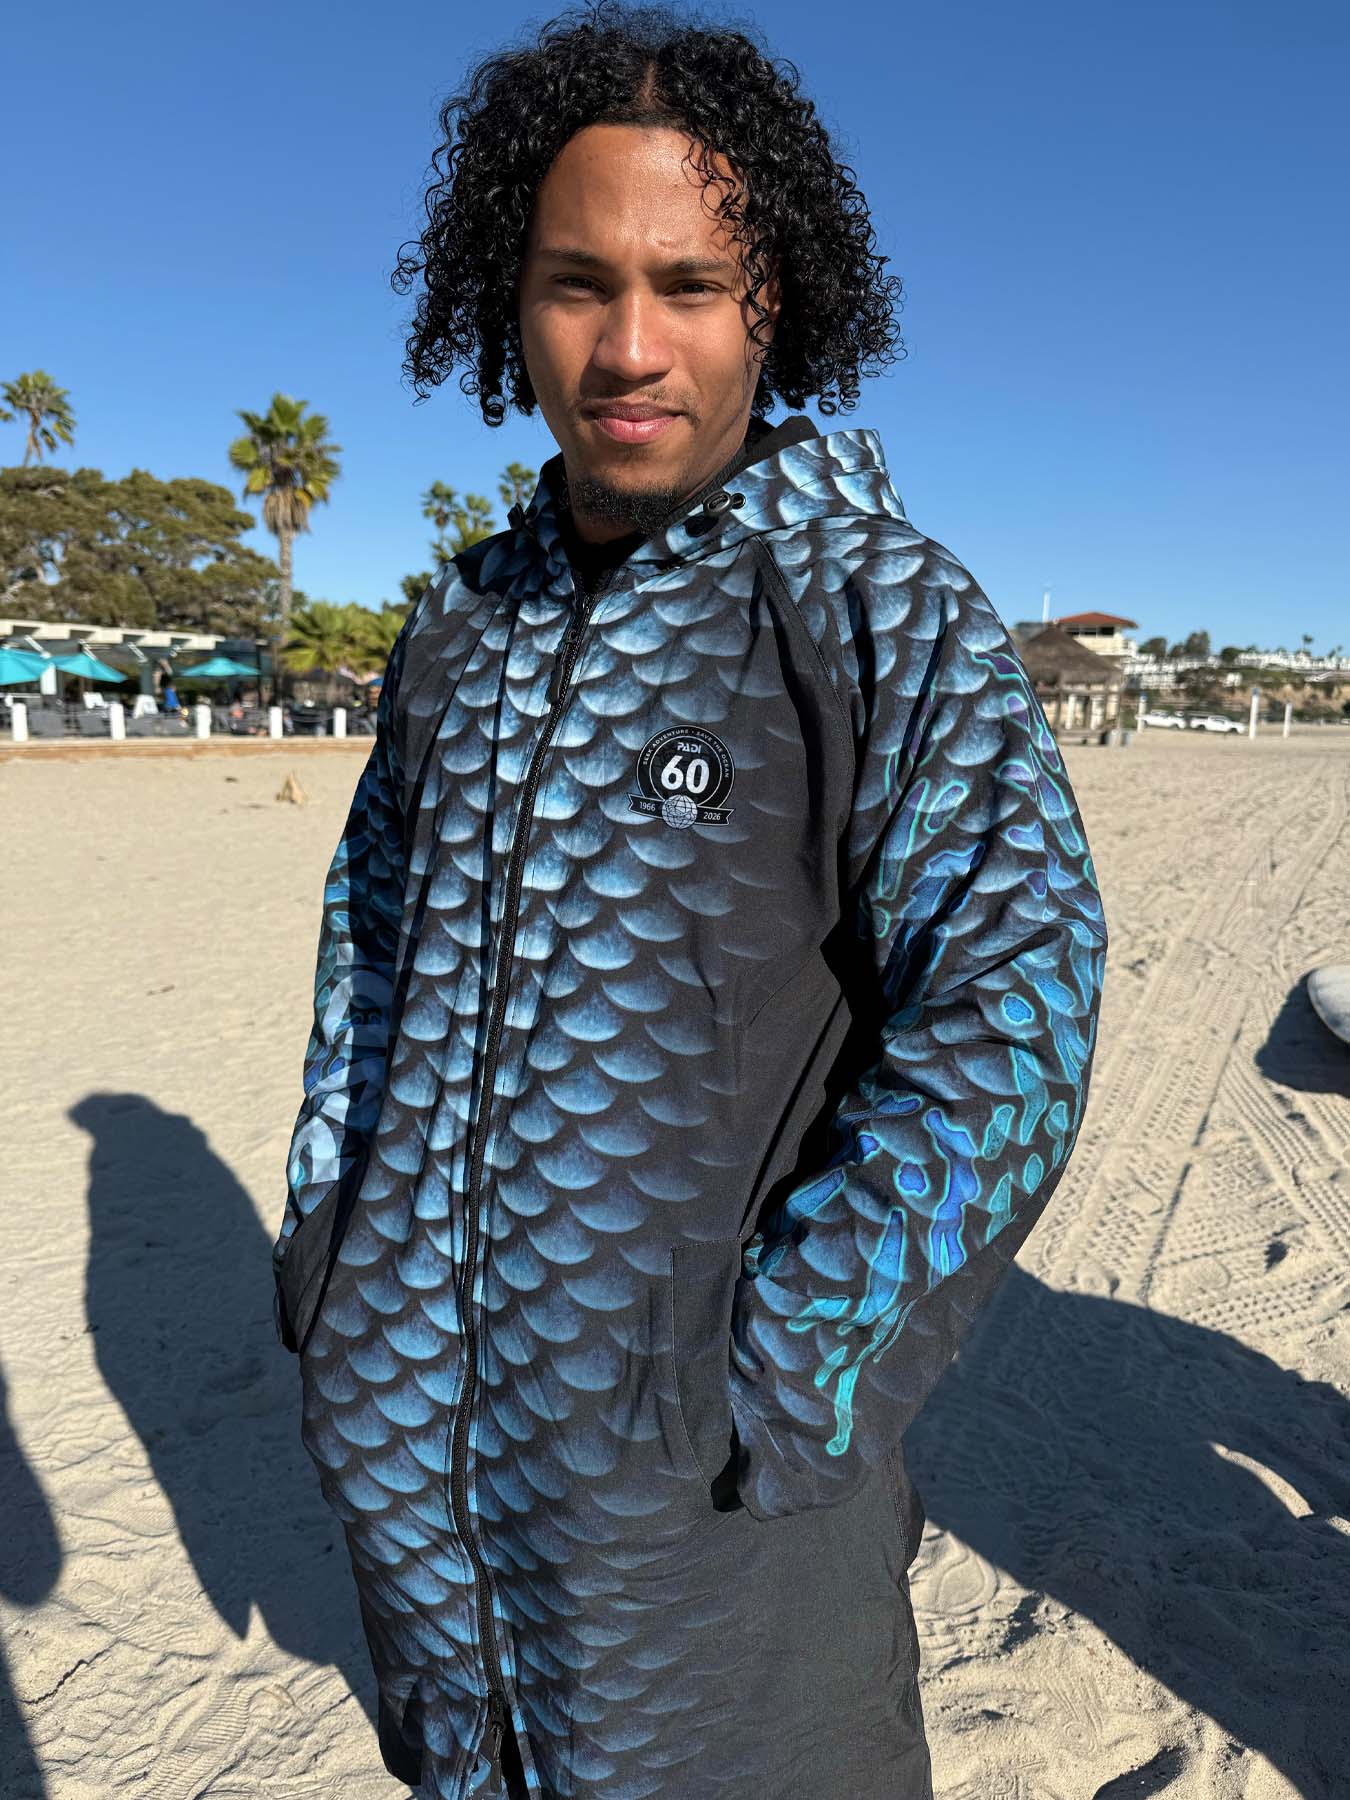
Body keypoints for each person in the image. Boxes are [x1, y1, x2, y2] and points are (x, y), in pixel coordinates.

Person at [271, 6, 1108, 1798]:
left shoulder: (876, 608)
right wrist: (332, 1261)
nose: (629, 345)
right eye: (576, 283)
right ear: (505, 301)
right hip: (419, 1500)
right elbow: (366, 961)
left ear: (770, 304)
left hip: (708, 1505)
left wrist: (793, 1364)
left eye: (690, 285)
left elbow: (1012, 1009)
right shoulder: (458, 629)